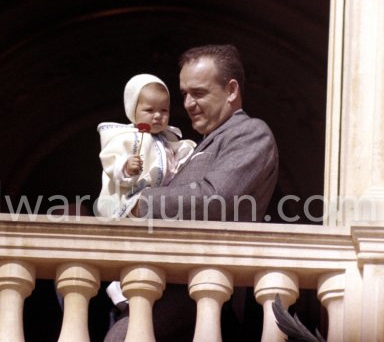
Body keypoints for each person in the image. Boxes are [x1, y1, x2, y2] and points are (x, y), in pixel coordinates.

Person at [104, 45, 279, 342]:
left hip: (200, 288)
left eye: (198, 93)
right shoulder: (200, 144)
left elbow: (214, 197)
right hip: (168, 284)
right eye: (184, 93)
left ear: (231, 90)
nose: (187, 103)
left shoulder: (251, 132)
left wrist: (139, 203)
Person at [96, 73, 196, 219]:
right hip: (131, 198)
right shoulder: (124, 138)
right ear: (132, 110)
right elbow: (111, 161)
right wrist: (126, 167)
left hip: (160, 202)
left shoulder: (168, 139)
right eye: (149, 110)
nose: (157, 116)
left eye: (164, 110)